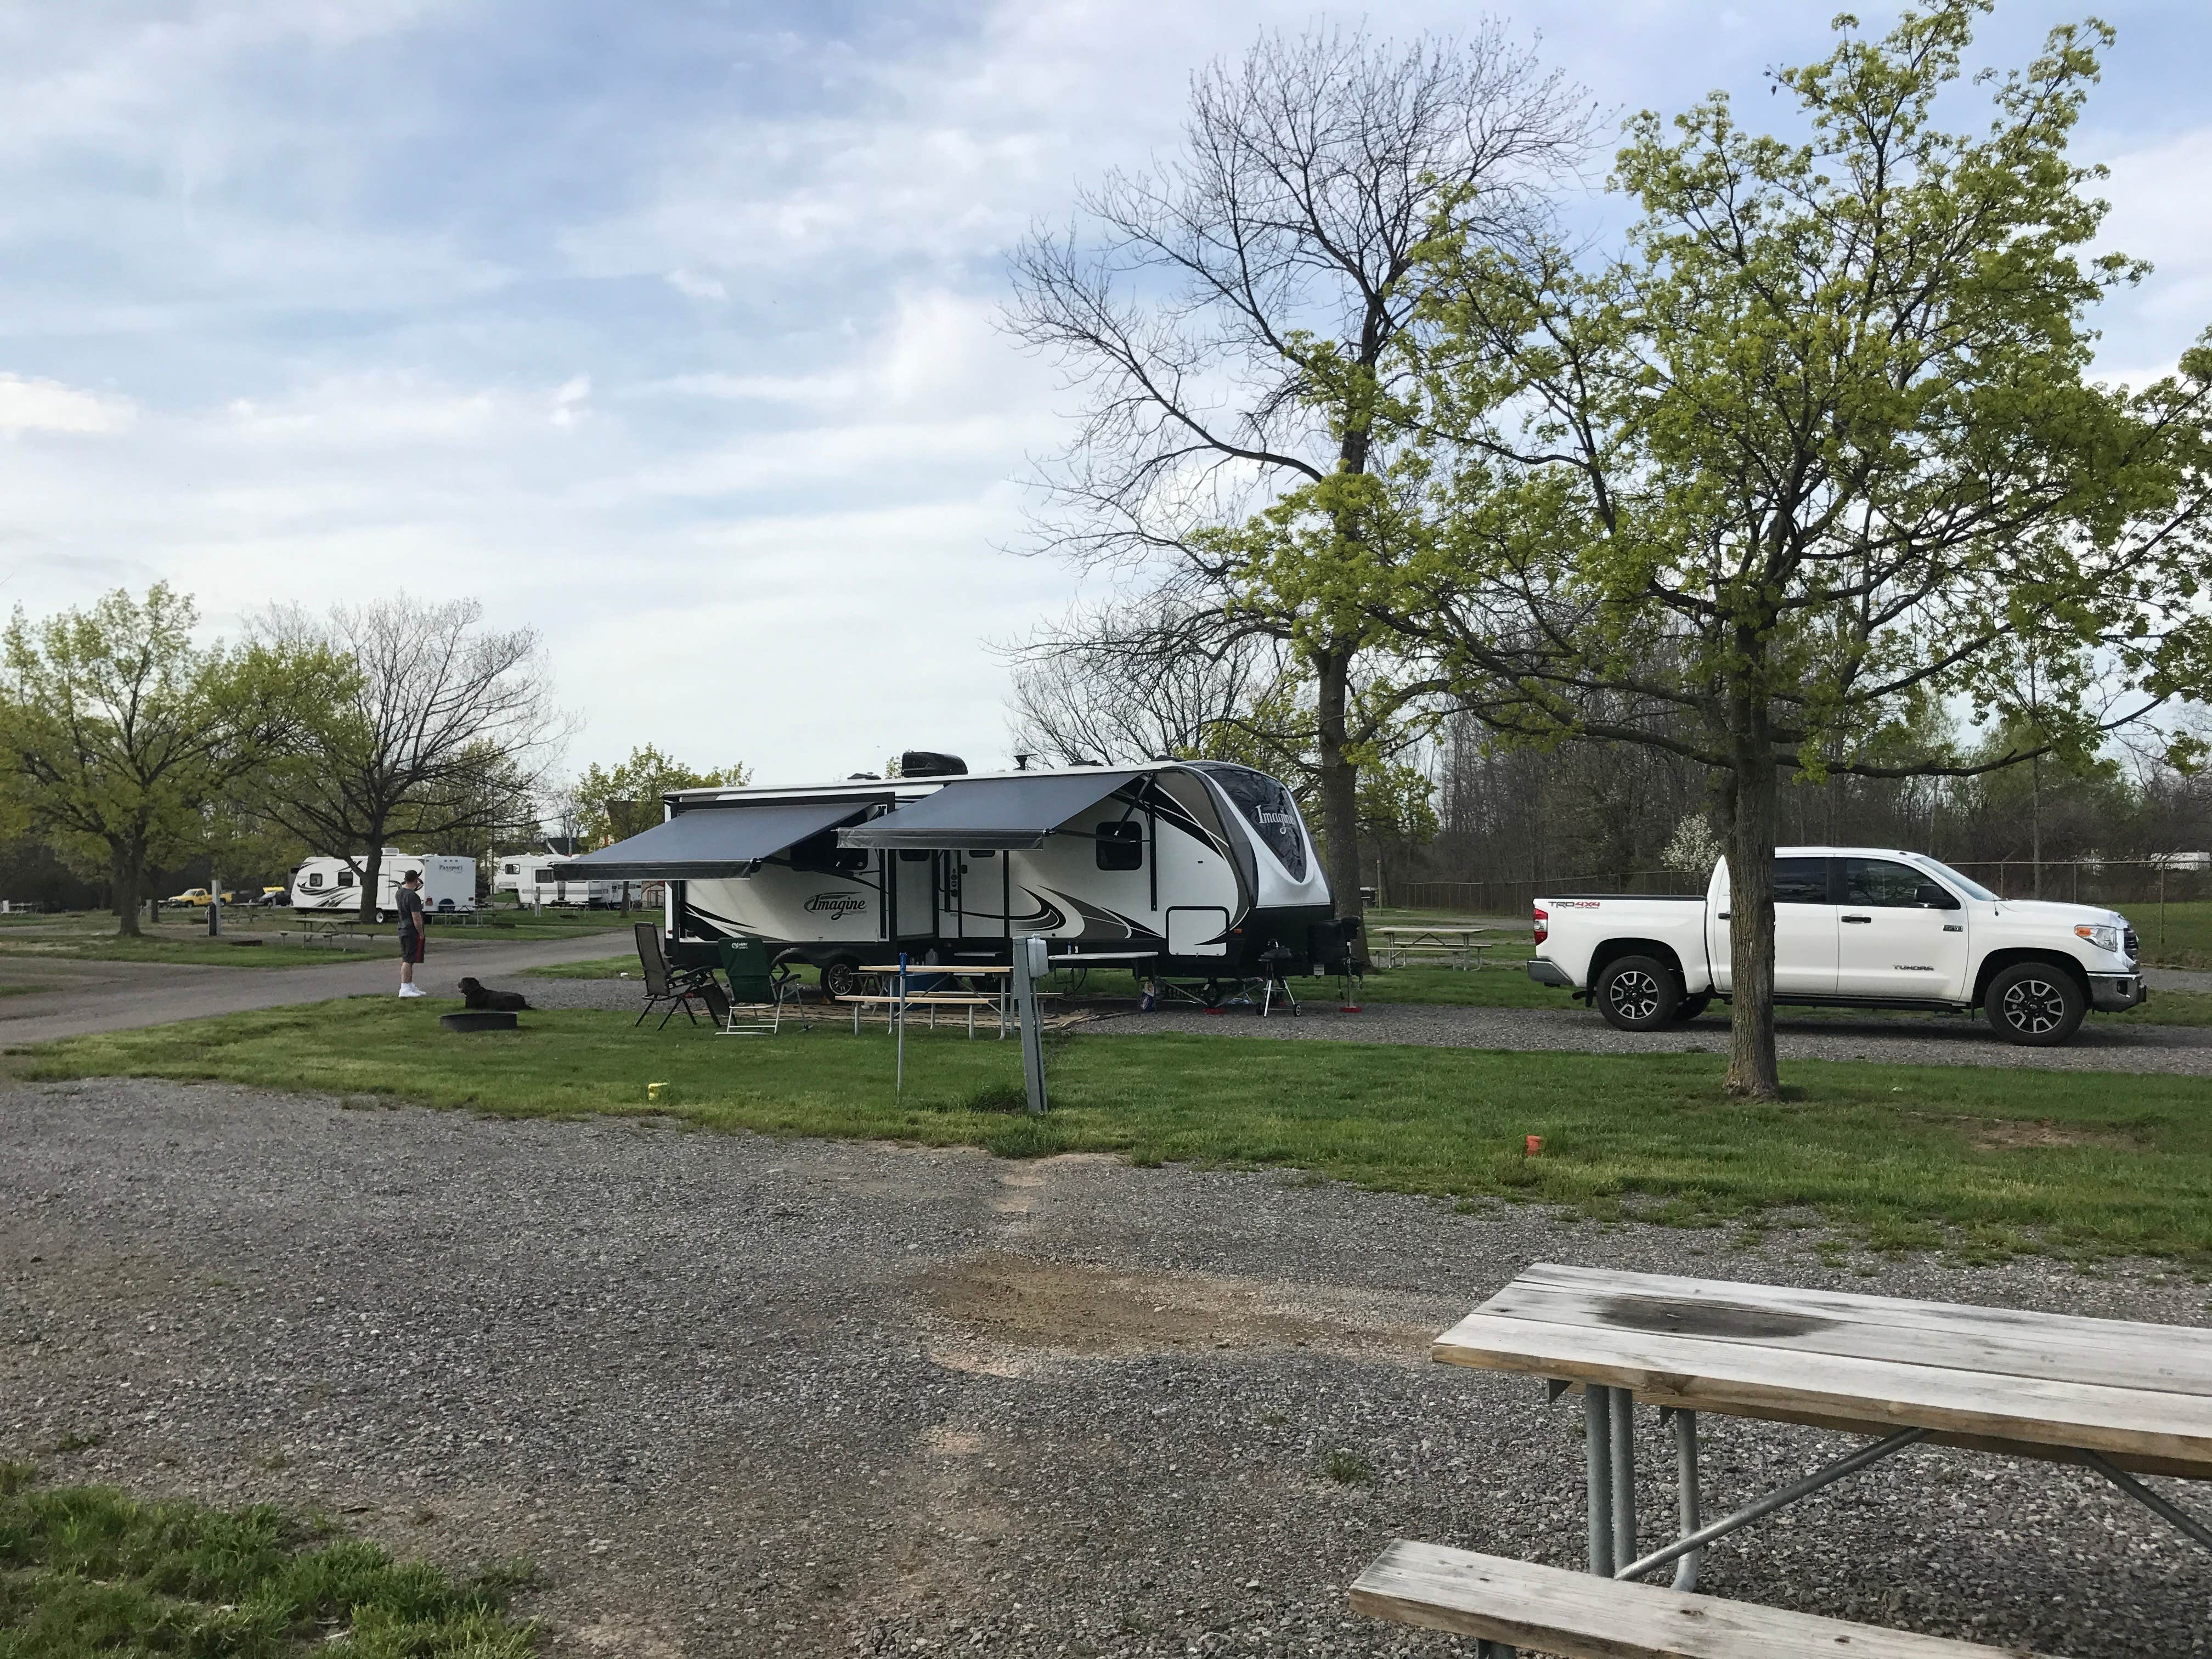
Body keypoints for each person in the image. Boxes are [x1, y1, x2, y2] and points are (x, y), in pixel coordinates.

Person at [396, 869, 429, 997]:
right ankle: (405, 988)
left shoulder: (399, 893)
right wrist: (421, 932)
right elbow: (416, 917)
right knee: (408, 959)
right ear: (416, 880)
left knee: (409, 958)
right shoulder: (413, 896)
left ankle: (409, 985)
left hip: (402, 927)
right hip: (411, 930)